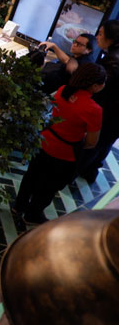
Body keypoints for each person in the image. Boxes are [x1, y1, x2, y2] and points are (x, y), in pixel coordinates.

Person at [13, 63, 106, 223]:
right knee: (48, 187)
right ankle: (33, 214)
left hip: (44, 141)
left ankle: (19, 206)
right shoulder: (94, 109)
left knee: (31, 176)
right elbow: (91, 142)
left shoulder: (63, 90)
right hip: (65, 154)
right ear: (95, 86)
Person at [79, 20, 119, 183]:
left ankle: (75, 173)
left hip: (110, 113)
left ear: (111, 38)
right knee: (103, 145)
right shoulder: (113, 54)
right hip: (115, 115)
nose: (97, 37)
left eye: (101, 33)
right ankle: (90, 172)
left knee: (93, 145)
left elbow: (100, 86)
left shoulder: (113, 60)